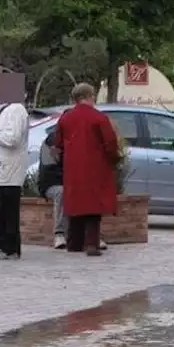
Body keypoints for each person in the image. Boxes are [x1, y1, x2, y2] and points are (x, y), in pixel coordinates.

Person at [53, 83, 118, 256]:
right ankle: (92, 244)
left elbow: (58, 143)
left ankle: (74, 243)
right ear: (90, 96)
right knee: (93, 208)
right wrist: (113, 159)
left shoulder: (66, 118)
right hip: (96, 168)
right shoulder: (99, 118)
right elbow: (111, 144)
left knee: (76, 206)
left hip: (73, 169)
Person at [37, 127, 107, 251]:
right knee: (62, 192)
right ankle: (59, 234)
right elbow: (50, 170)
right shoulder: (52, 141)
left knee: (88, 190)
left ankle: (91, 236)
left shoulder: (79, 140)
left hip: (73, 182)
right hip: (52, 183)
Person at [0, 101, 30, 260]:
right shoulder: (2, 108)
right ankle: (2, 245)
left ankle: (10, 248)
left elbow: (12, 139)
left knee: (8, 211)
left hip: (8, 171)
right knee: (0, 211)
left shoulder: (17, 110)